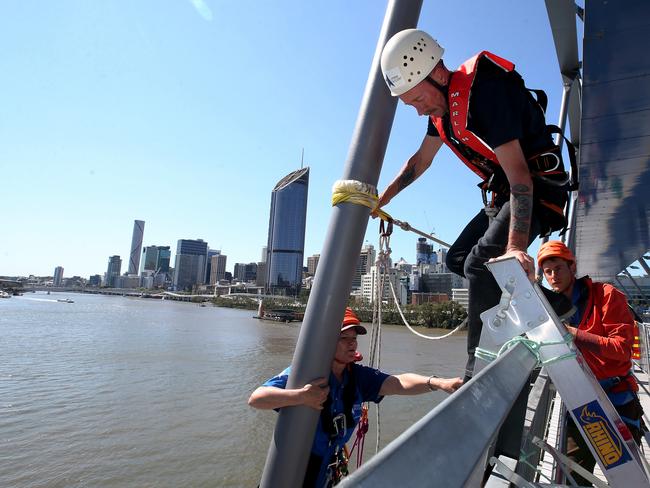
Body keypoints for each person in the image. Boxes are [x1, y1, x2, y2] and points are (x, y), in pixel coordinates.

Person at [376, 29, 572, 380]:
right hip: (507, 194)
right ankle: (553, 304)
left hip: (537, 191)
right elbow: (419, 162)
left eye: (418, 99)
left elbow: (521, 178)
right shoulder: (442, 113)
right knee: (458, 259)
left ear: (435, 73)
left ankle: (476, 371)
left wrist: (514, 248)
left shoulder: (484, 91)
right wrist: (379, 200)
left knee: (481, 264)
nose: (420, 111)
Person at [248, 307, 463, 487]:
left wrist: (438, 383)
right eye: (344, 338)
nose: (353, 343)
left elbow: (398, 383)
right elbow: (257, 398)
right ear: (326, 343)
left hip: (327, 470)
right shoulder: (306, 373)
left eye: (354, 338)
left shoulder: (357, 377)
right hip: (293, 472)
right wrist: (300, 396)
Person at [537, 240, 645, 483]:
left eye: (558, 269)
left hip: (617, 400)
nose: (553, 276)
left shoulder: (606, 296)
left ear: (572, 267)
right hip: (582, 401)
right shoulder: (548, 308)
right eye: (548, 272)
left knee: (628, 477)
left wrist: (572, 334)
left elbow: (622, 349)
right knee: (575, 476)